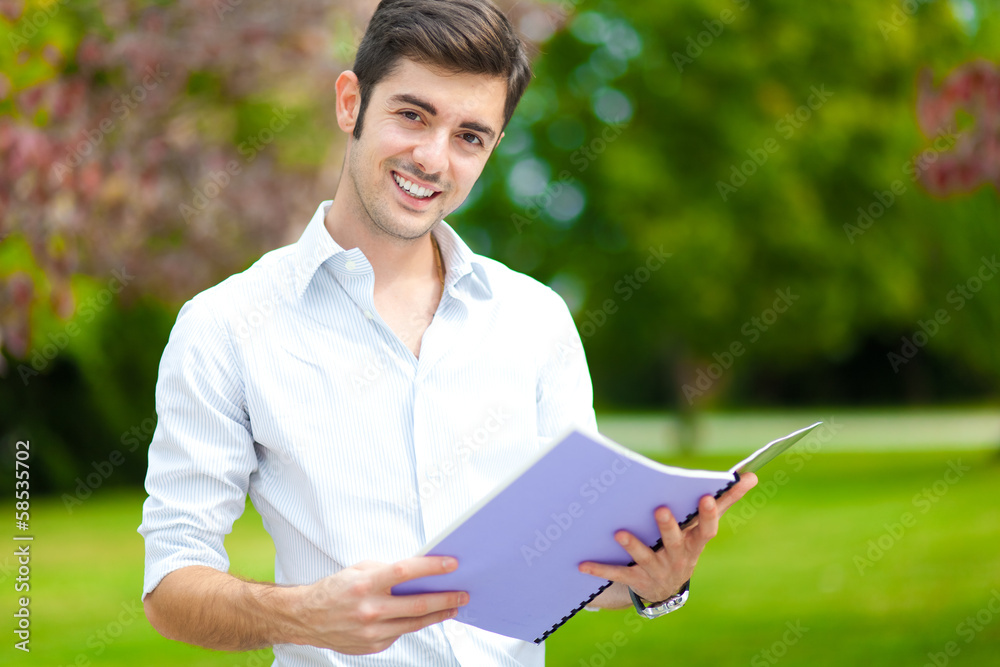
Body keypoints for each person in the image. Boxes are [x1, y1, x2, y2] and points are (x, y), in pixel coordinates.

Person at [138, 0, 757, 665]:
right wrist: (304, 614)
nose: (433, 158)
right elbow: (172, 584)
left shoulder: (534, 318)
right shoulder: (225, 326)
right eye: (412, 115)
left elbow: (574, 563)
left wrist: (653, 582)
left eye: (470, 136)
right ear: (351, 103)